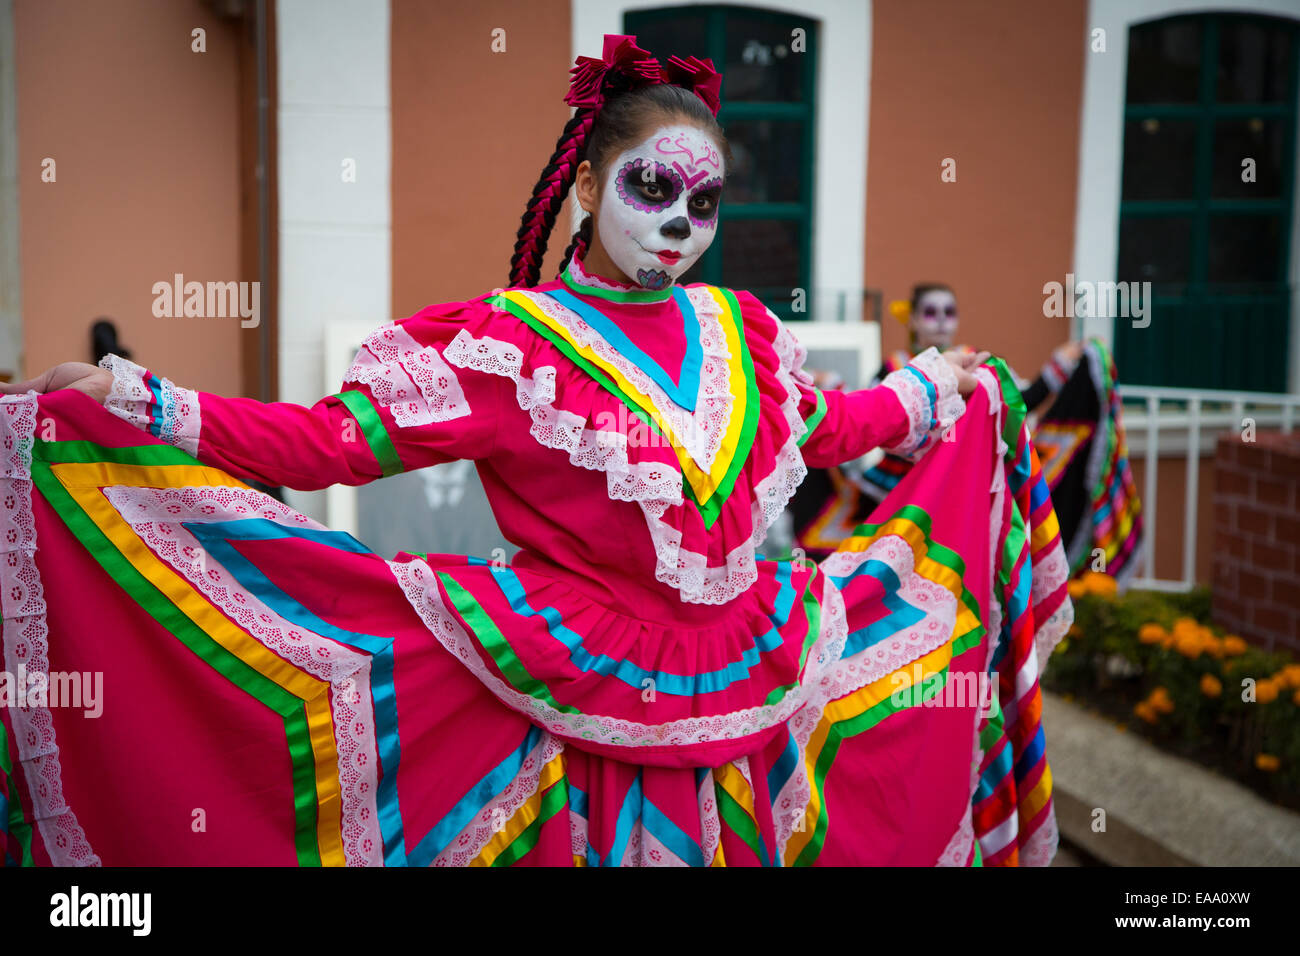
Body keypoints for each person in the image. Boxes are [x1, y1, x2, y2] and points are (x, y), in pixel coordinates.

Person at [0, 35, 1069, 867]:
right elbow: (331, 440)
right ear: (591, 186)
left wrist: (936, 390)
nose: (678, 226)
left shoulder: (739, 329)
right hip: (577, 712)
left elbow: (834, 426)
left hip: (751, 684)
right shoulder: (511, 347)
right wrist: (144, 400)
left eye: (702, 203)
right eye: (652, 190)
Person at [791, 282, 1120, 567]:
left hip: (955, 486)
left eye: (949, 312)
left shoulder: (975, 360)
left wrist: (1059, 365)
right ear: (915, 320)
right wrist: (831, 387)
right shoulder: (895, 365)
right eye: (931, 313)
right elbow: (871, 418)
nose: (941, 322)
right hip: (894, 490)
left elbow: (1019, 403)